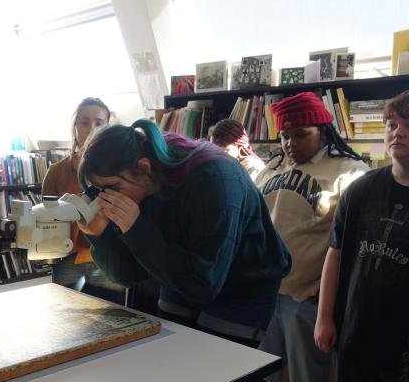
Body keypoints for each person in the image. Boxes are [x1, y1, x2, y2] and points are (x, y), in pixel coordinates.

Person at [75, 118, 291, 341]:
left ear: (144, 169)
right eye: (97, 190)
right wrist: (100, 236)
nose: (104, 199)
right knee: (172, 351)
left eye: (111, 188)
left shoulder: (215, 178)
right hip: (183, 269)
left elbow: (203, 284)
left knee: (218, 364)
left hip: (243, 283)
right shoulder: (141, 183)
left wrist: (137, 230)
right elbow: (130, 275)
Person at [315, 89, 409, 382]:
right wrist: (324, 318)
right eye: (392, 124)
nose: (398, 132)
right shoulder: (361, 190)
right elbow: (334, 255)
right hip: (358, 336)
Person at [253, 92, 369, 382]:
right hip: (264, 292)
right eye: (285, 135)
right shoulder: (271, 168)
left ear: (322, 130)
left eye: (301, 134)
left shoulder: (350, 171)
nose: (291, 142)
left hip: (307, 297)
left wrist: (330, 299)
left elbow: (353, 241)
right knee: (257, 380)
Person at [42, 97, 125, 303]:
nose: (92, 129)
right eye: (85, 122)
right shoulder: (56, 171)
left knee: (109, 319)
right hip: (67, 257)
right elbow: (47, 220)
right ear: (75, 126)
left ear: (107, 127)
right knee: (63, 316)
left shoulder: (122, 171)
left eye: (99, 123)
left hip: (107, 258)